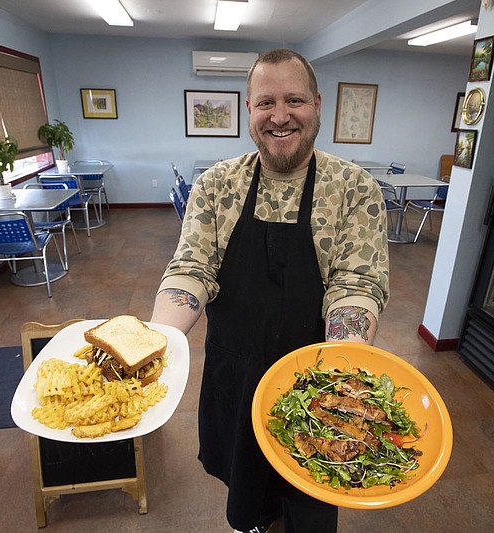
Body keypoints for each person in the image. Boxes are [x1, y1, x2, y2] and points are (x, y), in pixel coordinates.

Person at [151, 48, 389, 533]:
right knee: (248, 498)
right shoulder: (216, 186)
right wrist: (158, 341)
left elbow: (355, 284)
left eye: (294, 100)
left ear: (318, 104)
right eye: (266, 103)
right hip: (234, 379)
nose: (280, 116)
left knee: (311, 500)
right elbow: (190, 269)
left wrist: (341, 367)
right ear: (249, 110)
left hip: (315, 386)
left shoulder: (354, 188)